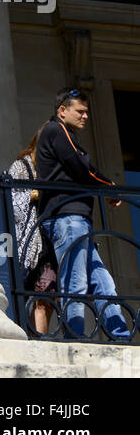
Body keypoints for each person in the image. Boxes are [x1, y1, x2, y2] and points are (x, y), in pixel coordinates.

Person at [37, 87, 130, 341]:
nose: (85, 116)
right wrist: (109, 187)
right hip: (67, 218)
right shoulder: (56, 130)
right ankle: (74, 339)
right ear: (62, 110)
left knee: (104, 283)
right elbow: (81, 168)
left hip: (76, 219)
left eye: (87, 112)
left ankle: (120, 334)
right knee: (75, 282)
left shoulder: (64, 134)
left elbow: (83, 167)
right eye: (80, 111)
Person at [7, 126, 57, 336]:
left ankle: (41, 340)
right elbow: (7, 202)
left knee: (46, 296)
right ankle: (28, 338)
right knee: (23, 298)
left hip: (48, 242)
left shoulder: (54, 170)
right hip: (25, 245)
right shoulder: (20, 167)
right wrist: (32, 195)